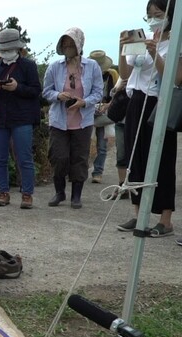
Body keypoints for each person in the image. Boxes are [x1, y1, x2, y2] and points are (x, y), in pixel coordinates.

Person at [116, 0, 181, 238]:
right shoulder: (141, 39)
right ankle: (137, 212)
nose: (154, 18)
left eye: (159, 13)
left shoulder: (175, 42)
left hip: (160, 104)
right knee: (136, 158)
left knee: (162, 160)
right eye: (150, 14)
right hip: (136, 102)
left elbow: (175, 78)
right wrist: (122, 48)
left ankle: (165, 219)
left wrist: (156, 53)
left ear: (170, 16)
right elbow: (124, 74)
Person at [43, 28, 103, 209]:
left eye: (71, 44)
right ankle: (59, 192)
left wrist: (84, 102)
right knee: (59, 156)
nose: (67, 48)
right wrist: (57, 96)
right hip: (59, 120)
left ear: (79, 45)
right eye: (64, 45)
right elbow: (46, 91)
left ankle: (76, 196)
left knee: (79, 158)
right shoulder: (54, 67)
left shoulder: (92, 66)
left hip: (83, 121)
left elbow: (99, 92)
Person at [0, 28, 41, 209]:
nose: (5, 53)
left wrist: (17, 88)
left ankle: (27, 194)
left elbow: (36, 91)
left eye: (9, 49)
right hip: (0, 118)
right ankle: (3, 192)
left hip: (22, 118)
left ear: (17, 48)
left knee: (24, 157)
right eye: (2, 50)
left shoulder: (28, 66)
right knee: (0, 158)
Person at [88, 50, 120, 184]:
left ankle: (98, 172)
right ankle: (80, 170)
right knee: (83, 144)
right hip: (87, 111)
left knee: (102, 145)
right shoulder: (86, 75)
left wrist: (107, 105)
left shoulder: (111, 75)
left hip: (103, 113)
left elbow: (116, 94)